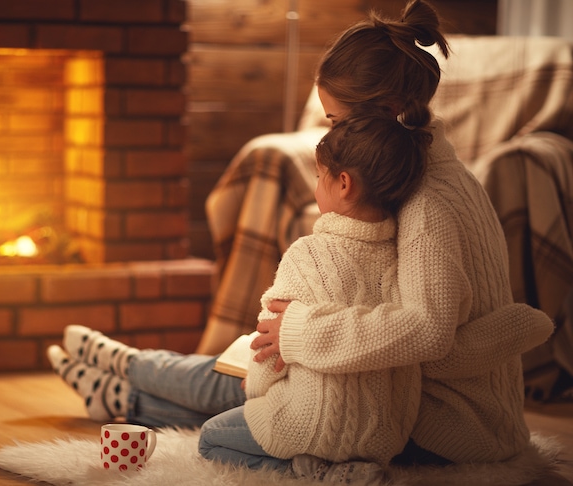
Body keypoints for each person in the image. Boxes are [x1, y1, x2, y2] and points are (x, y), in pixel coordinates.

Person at [46, 0, 554, 479]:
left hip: (453, 422)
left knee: (250, 387)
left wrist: (302, 336)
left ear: (390, 107)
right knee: (253, 373)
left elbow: (429, 331)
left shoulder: (428, 201)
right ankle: (126, 379)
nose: (333, 136)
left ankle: (128, 378)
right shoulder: (434, 174)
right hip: (414, 388)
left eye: (337, 120)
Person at [196, 109, 432, 478]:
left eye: (318, 177)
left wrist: (257, 389)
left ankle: (313, 469)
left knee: (211, 438)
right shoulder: (405, 259)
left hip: (313, 424)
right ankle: (348, 468)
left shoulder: (308, 254)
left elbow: (268, 348)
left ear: (343, 183)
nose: (315, 187)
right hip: (387, 436)